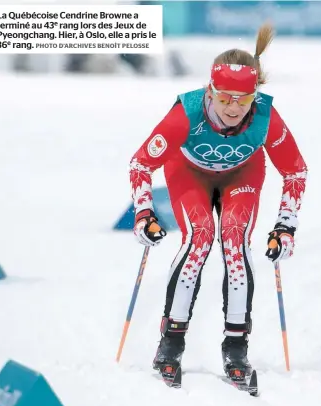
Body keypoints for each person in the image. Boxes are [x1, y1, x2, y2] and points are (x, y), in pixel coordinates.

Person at [128, 22, 308, 382]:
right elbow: (141, 164)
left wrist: (285, 225)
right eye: (223, 98)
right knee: (199, 237)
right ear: (210, 91)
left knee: (235, 240)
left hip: (241, 176)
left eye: (242, 100)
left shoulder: (266, 117)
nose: (231, 108)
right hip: (189, 174)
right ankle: (171, 343)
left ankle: (236, 346)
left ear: (254, 95)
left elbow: (295, 172)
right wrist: (143, 212)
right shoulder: (187, 114)